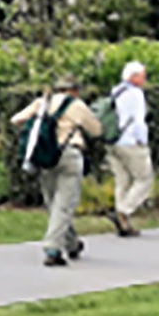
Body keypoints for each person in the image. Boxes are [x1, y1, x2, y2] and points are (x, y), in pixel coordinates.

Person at [10, 77, 102, 267]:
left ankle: (71, 243)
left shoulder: (42, 102)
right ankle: (52, 249)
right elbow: (96, 130)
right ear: (74, 90)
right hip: (68, 154)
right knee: (64, 204)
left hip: (45, 156)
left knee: (54, 202)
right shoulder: (77, 105)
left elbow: (16, 119)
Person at [104, 61, 153, 237]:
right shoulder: (135, 94)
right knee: (144, 179)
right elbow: (138, 120)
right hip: (130, 141)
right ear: (133, 76)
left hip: (113, 140)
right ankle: (123, 211)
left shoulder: (116, 91)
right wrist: (142, 141)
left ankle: (123, 224)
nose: (145, 78)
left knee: (122, 180)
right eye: (142, 75)